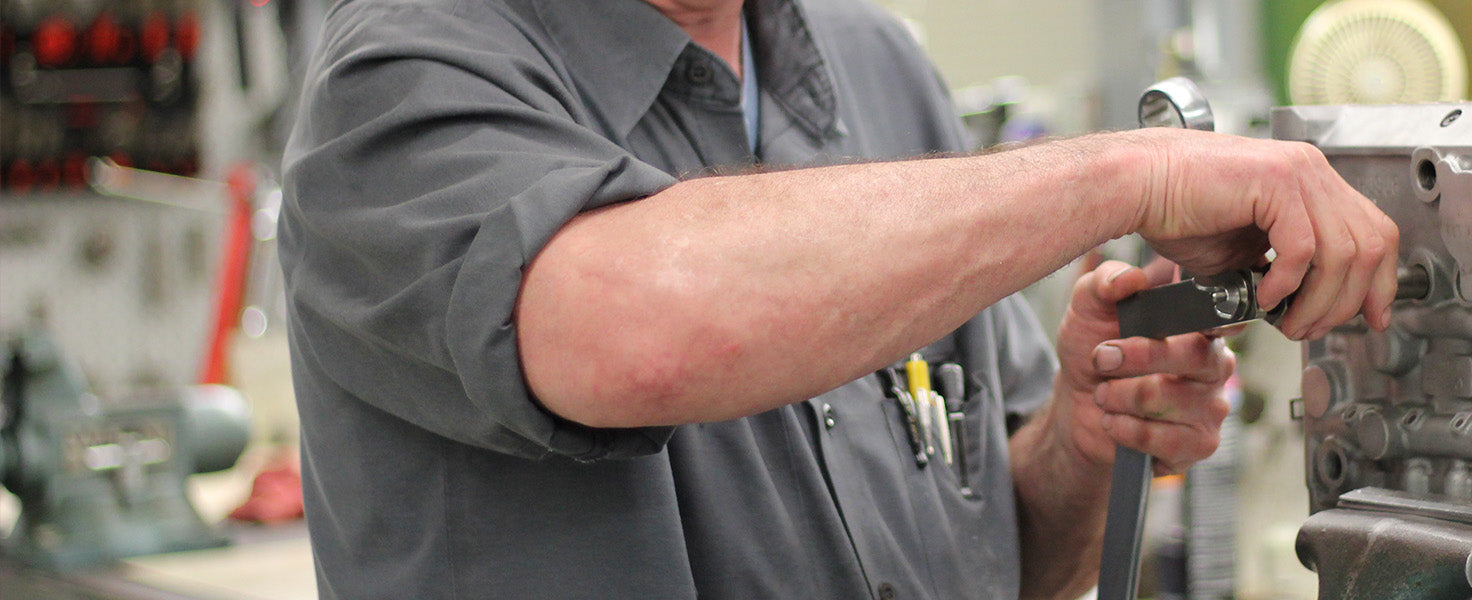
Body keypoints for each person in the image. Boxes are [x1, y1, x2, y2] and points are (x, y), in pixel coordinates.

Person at [278, 0, 1398, 598]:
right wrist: (1120, 176)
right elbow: (640, 328)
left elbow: (1003, 561)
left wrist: (1083, 438)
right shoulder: (401, 75)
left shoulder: (870, 65)